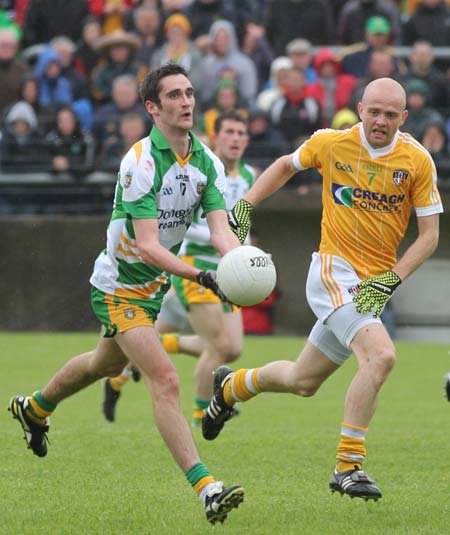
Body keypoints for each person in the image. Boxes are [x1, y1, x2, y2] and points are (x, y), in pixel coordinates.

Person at [7, 63, 244, 525]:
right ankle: (208, 489)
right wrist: (202, 278)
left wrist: (240, 265)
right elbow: (150, 246)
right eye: (174, 95)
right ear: (153, 108)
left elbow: (221, 234)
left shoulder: (207, 162)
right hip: (118, 287)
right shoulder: (140, 161)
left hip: (152, 289)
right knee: (165, 379)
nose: (187, 101)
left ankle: (35, 408)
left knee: (103, 365)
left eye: (190, 92)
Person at [202, 77, 442, 501]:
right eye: (375, 112)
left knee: (302, 380)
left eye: (391, 115)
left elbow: (429, 236)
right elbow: (284, 166)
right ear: (361, 108)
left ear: (403, 118)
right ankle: (348, 466)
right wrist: (245, 205)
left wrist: (390, 279)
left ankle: (231, 386)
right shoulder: (332, 143)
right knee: (381, 355)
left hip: (372, 284)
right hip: (333, 271)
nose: (381, 121)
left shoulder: (417, 161)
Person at [103, 110, 256, 427]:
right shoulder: (194, 163)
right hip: (193, 263)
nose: (236, 139)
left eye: (242, 133)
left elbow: (237, 225)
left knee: (233, 348)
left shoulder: (249, 176)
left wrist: (246, 259)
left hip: (227, 267)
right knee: (220, 346)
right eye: (229, 132)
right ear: (215, 136)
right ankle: (204, 412)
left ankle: (125, 370)